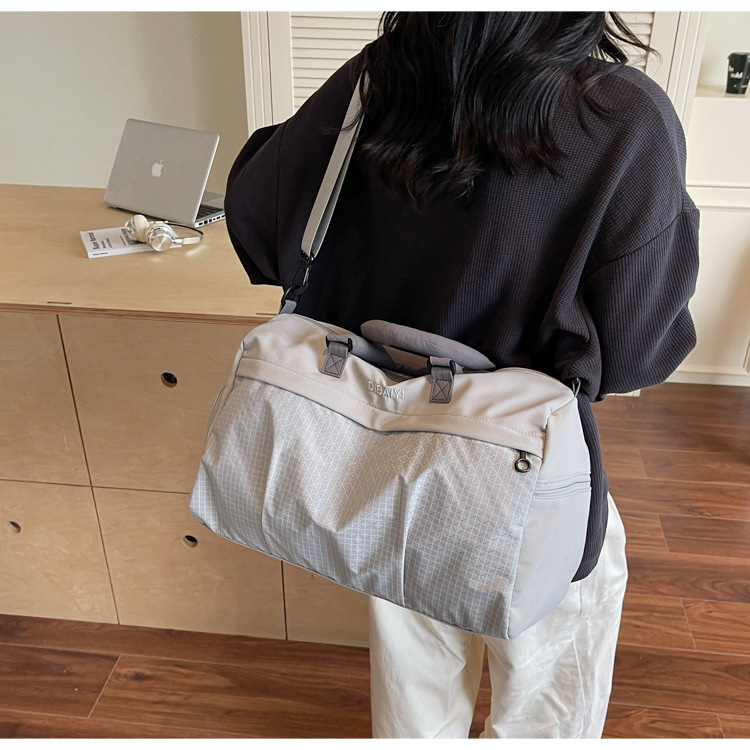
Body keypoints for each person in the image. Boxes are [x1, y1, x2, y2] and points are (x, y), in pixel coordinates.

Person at [223, 12, 699, 739]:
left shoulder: (383, 75)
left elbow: (259, 221)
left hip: (387, 454)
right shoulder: (622, 116)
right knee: (547, 699)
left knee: (413, 681)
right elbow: (638, 351)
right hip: (532, 467)